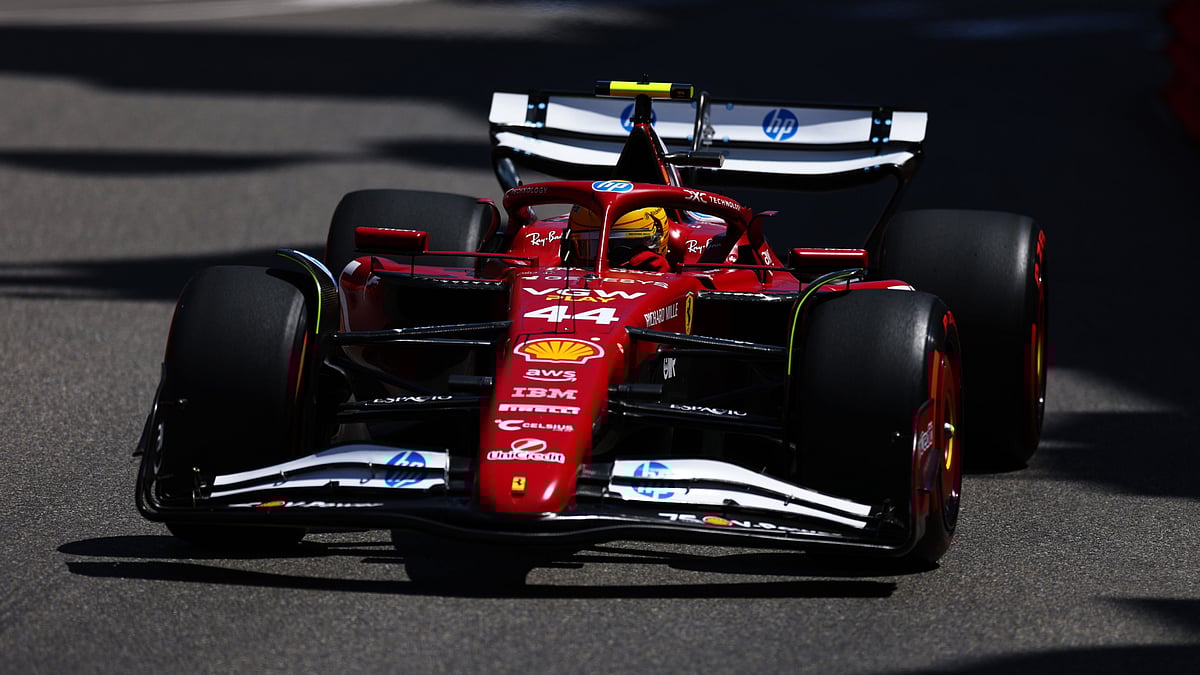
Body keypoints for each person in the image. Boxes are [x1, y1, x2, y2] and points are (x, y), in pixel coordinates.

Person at [566, 205, 672, 272]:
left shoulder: (654, 263)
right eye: (595, 244)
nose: (610, 259)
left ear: (656, 238)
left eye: (625, 244)